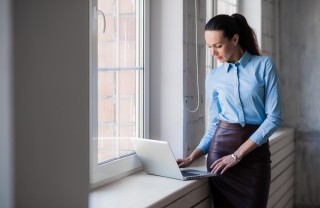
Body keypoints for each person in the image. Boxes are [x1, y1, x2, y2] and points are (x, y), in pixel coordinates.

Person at [177, 13, 282, 208]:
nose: (213, 52)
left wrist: (237, 155)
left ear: (235, 39)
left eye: (217, 45)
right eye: (209, 47)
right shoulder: (214, 77)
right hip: (220, 158)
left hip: (254, 157)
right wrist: (194, 156)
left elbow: (274, 118)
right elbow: (215, 124)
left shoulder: (264, 66)